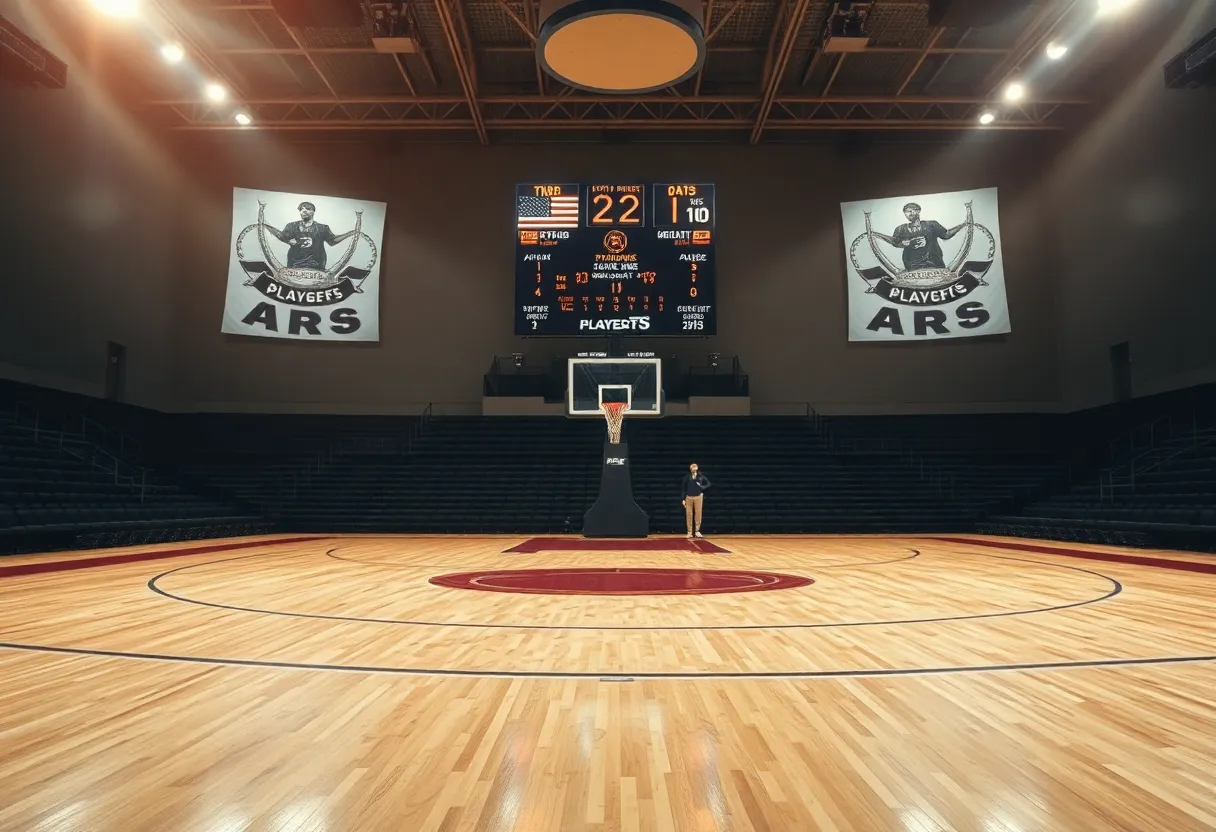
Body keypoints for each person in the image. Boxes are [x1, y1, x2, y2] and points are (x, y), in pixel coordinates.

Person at [871, 202, 966, 272]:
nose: (909, 214)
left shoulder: (932, 225)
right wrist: (909, 243)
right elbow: (895, 242)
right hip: (912, 266)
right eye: (906, 212)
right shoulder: (901, 229)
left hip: (935, 263)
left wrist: (964, 224)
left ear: (918, 211)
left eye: (911, 210)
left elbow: (946, 235)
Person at [262, 201, 358, 271]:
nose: (304, 211)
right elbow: (282, 236)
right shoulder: (292, 226)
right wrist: (265, 224)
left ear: (313, 212)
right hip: (295, 264)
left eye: (307, 209)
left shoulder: (322, 228)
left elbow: (332, 241)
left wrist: (350, 233)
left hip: (316, 265)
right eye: (301, 209)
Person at [679, 463, 711, 538]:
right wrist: (683, 499)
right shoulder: (687, 477)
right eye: (692, 467)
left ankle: (697, 531)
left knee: (698, 514)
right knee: (689, 514)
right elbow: (683, 489)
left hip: (698, 496)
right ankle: (689, 532)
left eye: (695, 467)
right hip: (689, 497)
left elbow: (708, 484)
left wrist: (702, 487)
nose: (693, 468)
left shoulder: (700, 476)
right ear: (690, 469)